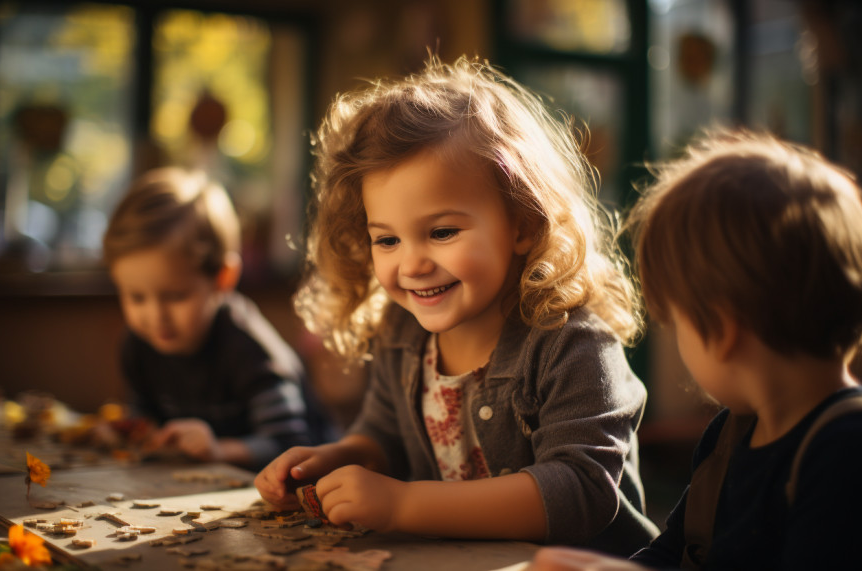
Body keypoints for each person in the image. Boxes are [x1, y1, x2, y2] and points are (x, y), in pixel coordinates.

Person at [254, 55, 658, 554]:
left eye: (442, 232)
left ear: (524, 223)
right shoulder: (401, 334)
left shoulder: (573, 346)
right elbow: (385, 436)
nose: (412, 265)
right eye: (387, 240)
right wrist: (337, 462)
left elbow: (581, 492)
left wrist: (402, 506)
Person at [529, 129, 862, 570]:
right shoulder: (728, 436)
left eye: (676, 323)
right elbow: (674, 553)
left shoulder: (854, 452)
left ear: (721, 329)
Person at [102, 167, 331, 470]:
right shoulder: (138, 346)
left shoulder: (251, 350)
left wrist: (218, 450)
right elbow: (145, 417)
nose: (156, 316)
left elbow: (290, 445)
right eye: (136, 297)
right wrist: (127, 430)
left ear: (222, 279)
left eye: (175, 296)